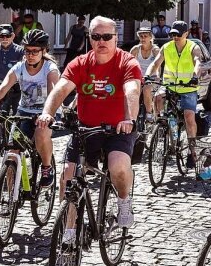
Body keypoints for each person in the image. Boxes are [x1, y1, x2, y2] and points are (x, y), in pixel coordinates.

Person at [36, 16, 141, 234]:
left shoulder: (127, 62)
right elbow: (61, 88)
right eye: (96, 37)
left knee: (118, 165)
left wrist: (128, 118)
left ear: (116, 38)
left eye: (106, 37)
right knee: (68, 175)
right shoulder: (81, 63)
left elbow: (132, 89)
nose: (101, 41)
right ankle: (69, 231)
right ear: (89, 39)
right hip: (86, 128)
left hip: (119, 128)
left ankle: (123, 201)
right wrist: (47, 113)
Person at [0, 29, 59, 186]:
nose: (30, 55)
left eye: (35, 51)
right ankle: (9, 199)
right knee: (11, 154)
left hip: (48, 112)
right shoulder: (19, 68)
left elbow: (53, 93)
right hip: (24, 112)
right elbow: (2, 88)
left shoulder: (50, 69)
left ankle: (47, 167)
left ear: (44, 51)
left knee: (42, 135)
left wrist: (47, 114)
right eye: (27, 51)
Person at [145, 21, 203, 168]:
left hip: (188, 88)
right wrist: (147, 75)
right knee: (158, 97)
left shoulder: (192, 47)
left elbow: (198, 62)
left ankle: (192, 151)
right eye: (172, 34)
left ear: (186, 34)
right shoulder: (167, 47)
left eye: (177, 34)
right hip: (170, 86)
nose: (174, 37)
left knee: (189, 117)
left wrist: (195, 77)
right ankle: (162, 124)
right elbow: (156, 63)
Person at [131, 25, 160, 120]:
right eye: (141, 36)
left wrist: (157, 77)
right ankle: (132, 114)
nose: (143, 38)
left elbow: (158, 66)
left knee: (146, 89)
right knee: (133, 90)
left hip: (152, 78)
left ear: (151, 37)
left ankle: (149, 113)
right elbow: (128, 64)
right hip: (138, 78)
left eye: (145, 36)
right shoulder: (135, 49)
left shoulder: (155, 50)